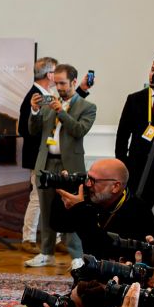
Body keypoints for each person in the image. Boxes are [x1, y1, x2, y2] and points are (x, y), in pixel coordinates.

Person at [27, 64, 97, 260]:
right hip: (46, 163)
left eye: (63, 83)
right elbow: (34, 131)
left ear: (74, 82)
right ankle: (46, 252)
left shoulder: (88, 107)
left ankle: (76, 256)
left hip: (70, 166)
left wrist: (61, 112)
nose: (58, 87)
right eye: (56, 83)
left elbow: (78, 130)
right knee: (46, 209)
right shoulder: (49, 104)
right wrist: (34, 111)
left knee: (72, 209)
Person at [26, 158, 152, 266]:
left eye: (94, 180)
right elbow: (58, 224)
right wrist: (63, 193)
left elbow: (103, 249)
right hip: (92, 269)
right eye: (88, 178)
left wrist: (80, 209)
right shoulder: (93, 200)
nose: (87, 184)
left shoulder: (138, 211)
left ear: (115, 186)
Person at [112, 53, 154, 182]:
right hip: (136, 170)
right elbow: (122, 135)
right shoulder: (134, 99)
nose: (153, 74)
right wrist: (122, 165)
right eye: (152, 69)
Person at [19, 58, 56, 245]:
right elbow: (23, 130)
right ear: (49, 75)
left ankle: (55, 239)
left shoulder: (46, 94)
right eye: (55, 72)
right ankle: (28, 238)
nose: (57, 77)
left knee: (50, 198)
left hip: (48, 155)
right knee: (37, 198)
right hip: (38, 156)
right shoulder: (34, 96)